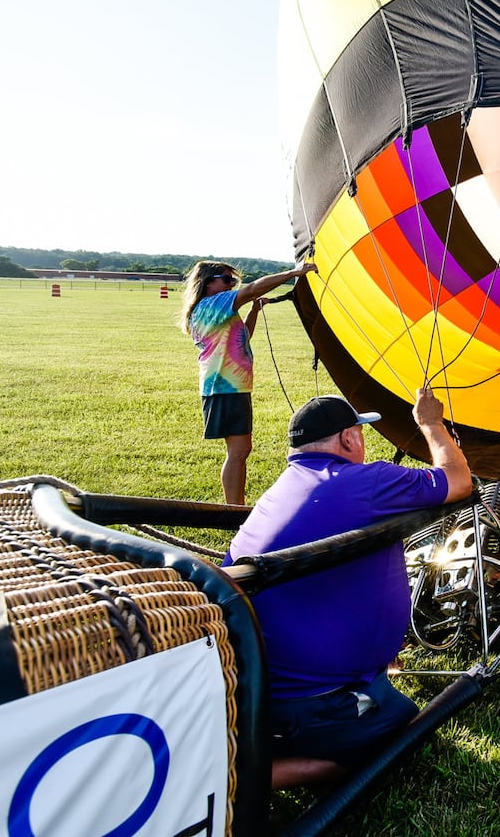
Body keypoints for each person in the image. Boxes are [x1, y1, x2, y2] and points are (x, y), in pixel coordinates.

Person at [222, 387, 474, 788]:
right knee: (399, 728)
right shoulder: (368, 480)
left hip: (253, 688)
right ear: (349, 438)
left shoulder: (282, 490)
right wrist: (431, 424)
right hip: (310, 702)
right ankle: (241, 777)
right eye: (361, 433)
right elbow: (459, 481)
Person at [179, 260, 317, 504]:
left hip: (227, 388)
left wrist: (253, 311)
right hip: (225, 388)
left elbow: (243, 338)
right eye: (227, 279)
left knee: (239, 451)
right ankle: (235, 510)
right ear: (209, 282)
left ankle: (236, 508)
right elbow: (252, 289)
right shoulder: (214, 303)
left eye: (234, 281)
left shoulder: (209, 308)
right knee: (238, 452)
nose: (232, 285)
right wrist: (293, 273)